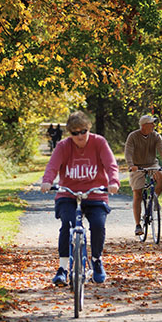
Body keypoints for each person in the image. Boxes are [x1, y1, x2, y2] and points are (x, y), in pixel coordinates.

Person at [40, 110, 120, 286]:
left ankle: (97, 260)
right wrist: (47, 181)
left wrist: (113, 182)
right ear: (70, 133)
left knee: (98, 225)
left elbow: (111, 164)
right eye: (75, 133)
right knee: (67, 225)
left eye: (83, 131)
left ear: (88, 128)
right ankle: (62, 268)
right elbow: (52, 166)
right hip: (68, 193)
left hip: (96, 193)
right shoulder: (63, 146)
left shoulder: (99, 142)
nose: (80, 136)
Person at [124, 114, 162, 236]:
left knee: (161, 178)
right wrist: (131, 165)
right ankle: (138, 225)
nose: (154, 126)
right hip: (137, 166)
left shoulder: (155, 136)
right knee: (137, 193)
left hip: (152, 164)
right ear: (144, 125)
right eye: (151, 124)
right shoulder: (133, 136)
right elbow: (128, 152)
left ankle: (153, 199)